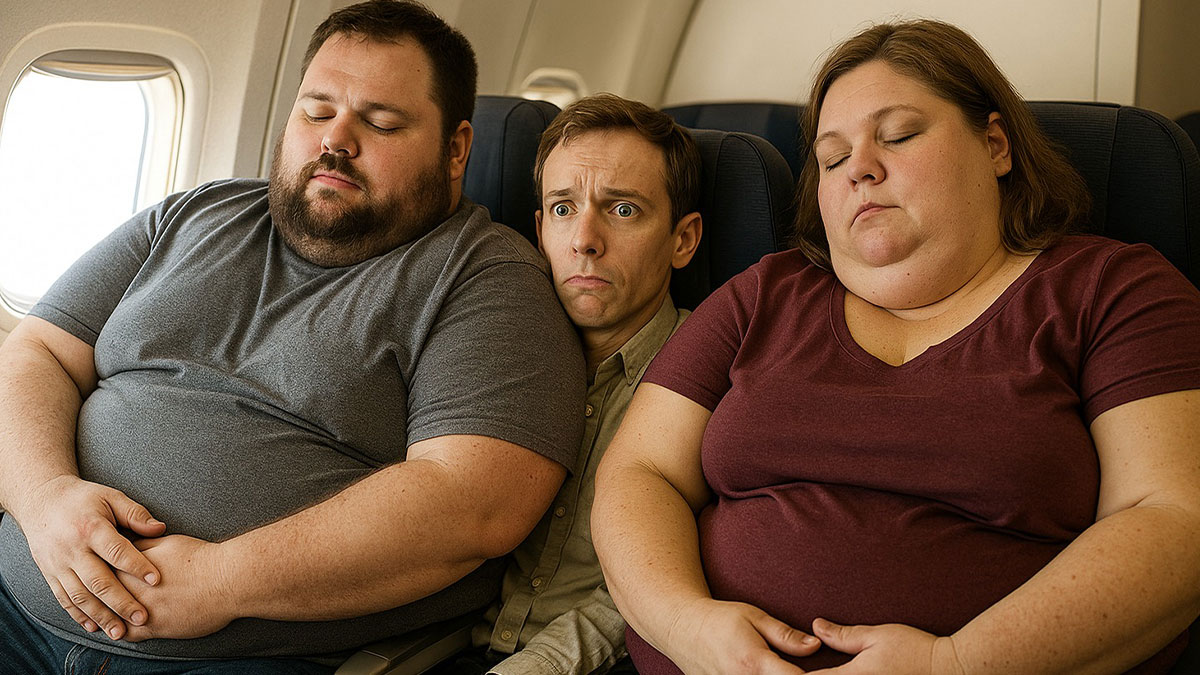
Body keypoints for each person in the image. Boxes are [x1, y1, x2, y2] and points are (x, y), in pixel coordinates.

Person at [592, 18, 1200, 675]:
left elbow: (1173, 517)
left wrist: (955, 664)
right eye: (831, 159)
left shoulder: (1113, 291)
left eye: (899, 135)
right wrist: (688, 628)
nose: (859, 169)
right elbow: (638, 474)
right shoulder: (763, 295)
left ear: (995, 146)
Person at [0, 1, 585, 672]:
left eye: (381, 122)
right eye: (316, 111)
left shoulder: (488, 280)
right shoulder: (195, 213)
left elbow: (474, 504)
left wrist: (220, 581)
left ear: (455, 150)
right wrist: (43, 498)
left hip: (234, 657)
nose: (336, 139)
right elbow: (36, 351)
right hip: (20, 599)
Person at [431, 93, 702, 675]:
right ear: (538, 230)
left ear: (683, 239)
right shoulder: (491, 350)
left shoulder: (707, 381)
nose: (584, 239)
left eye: (623, 209)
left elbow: (651, 588)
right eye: (562, 208)